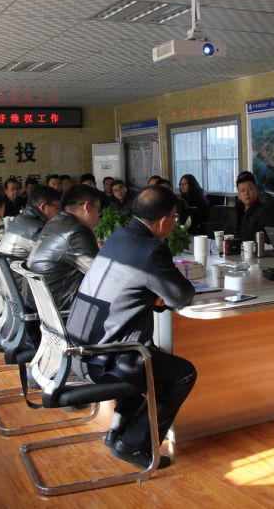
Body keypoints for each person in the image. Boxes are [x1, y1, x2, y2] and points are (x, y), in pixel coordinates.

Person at [66, 185, 196, 470]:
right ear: (164, 219)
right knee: (182, 373)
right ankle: (133, 444)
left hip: (81, 349)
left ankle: (118, 432)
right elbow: (181, 296)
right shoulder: (151, 249)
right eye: (174, 217)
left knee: (153, 358)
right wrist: (162, 294)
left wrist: (154, 296)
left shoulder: (119, 237)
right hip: (108, 358)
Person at [26, 184, 99, 312]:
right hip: (61, 312)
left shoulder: (55, 222)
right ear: (87, 207)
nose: (99, 216)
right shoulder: (76, 231)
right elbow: (100, 275)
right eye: (98, 210)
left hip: (41, 306)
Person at [0, 185, 61, 261]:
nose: (59, 211)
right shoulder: (38, 228)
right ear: (43, 207)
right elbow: (53, 255)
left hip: (5, 266)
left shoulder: (19, 218)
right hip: (15, 267)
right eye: (57, 207)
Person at [223, 172, 274, 241]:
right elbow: (226, 233)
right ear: (239, 195)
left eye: (250, 189)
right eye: (242, 191)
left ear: (256, 191)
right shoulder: (235, 211)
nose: (246, 193)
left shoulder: (264, 212)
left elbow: (261, 237)